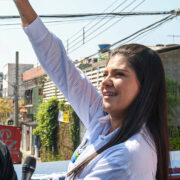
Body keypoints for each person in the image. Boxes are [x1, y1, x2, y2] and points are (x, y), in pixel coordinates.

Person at [13, 0, 170, 179]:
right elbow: (59, 64)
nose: (106, 82)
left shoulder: (128, 157)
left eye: (119, 74)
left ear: (145, 87)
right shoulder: (102, 119)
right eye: (105, 74)